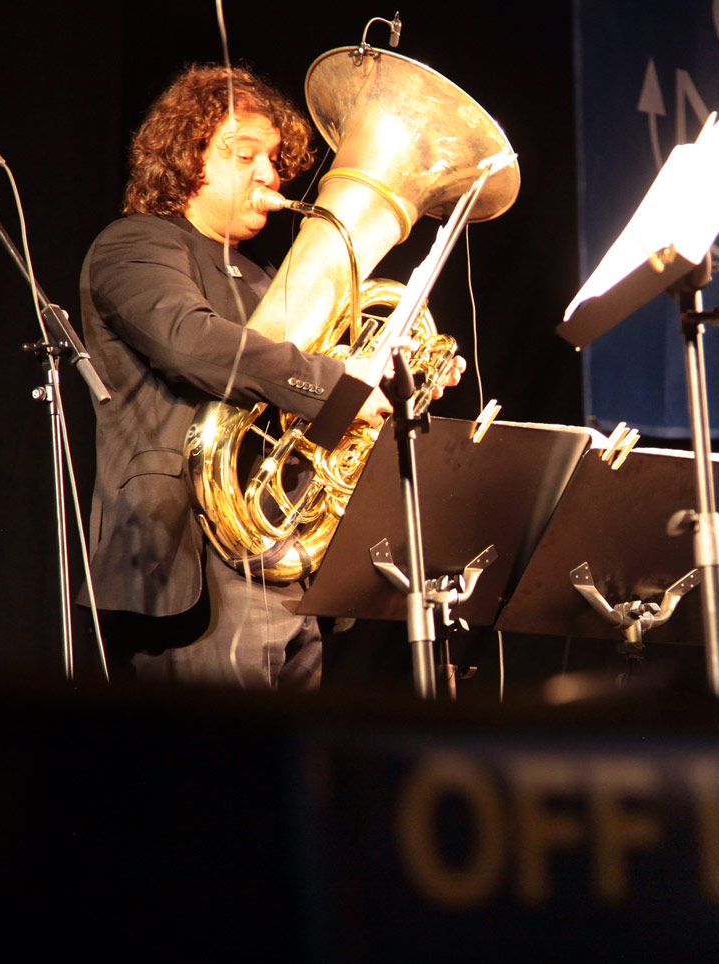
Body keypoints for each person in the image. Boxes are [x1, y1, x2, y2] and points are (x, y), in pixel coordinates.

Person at [79, 64, 461, 689]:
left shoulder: (261, 280)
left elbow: (311, 406)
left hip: (290, 570)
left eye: (276, 158)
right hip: (190, 558)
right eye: (245, 153)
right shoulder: (135, 245)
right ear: (184, 158)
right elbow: (193, 345)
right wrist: (339, 384)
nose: (270, 175)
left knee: (281, 776)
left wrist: (395, 386)